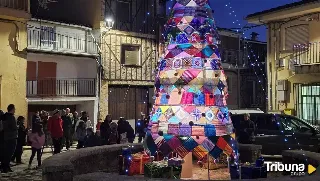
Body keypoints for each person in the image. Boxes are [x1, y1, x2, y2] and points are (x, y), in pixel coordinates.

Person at [1, 104, 17, 173]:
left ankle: (5, 167)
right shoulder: (11, 117)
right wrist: (17, 127)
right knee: (9, 153)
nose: (15, 110)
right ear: (12, 109)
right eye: (14, 109)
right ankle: (5, 167)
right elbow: (13, 127)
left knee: (5, 153)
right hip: (11, 137)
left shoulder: (4, 116)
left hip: (5, 137)